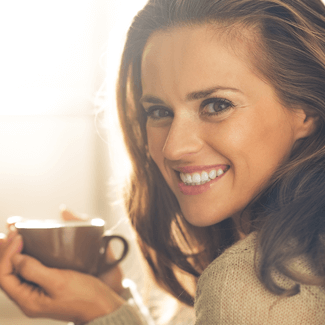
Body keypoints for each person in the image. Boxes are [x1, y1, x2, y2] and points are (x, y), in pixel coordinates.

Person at [1, 0, 325, 324]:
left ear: (307, 109)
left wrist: (103, 313)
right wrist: (112, 302)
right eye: (158, 112)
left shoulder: (250, 283)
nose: (173, 148)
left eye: (216, 105)